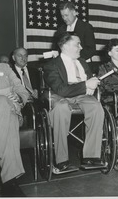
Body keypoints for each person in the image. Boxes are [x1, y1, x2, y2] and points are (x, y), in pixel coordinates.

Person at [43, 32, 104, 172]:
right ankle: (61, 161)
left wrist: (91, 86)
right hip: (61, 96)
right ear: (65, 46)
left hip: (82, 95)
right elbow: (60, 89)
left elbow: (89, 82)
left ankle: (91, 157)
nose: (81, 47)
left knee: (96, 107)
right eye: (78, 44)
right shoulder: (52, 65)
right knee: (61, 108)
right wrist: (85, 85)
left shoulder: (82, 62)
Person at [0, 42, 29, 197]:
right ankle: (10, 182)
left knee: (7, 108)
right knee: (3, 104)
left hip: (9, 111)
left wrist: (19, 99)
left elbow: (21, 88)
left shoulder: (4, 68)